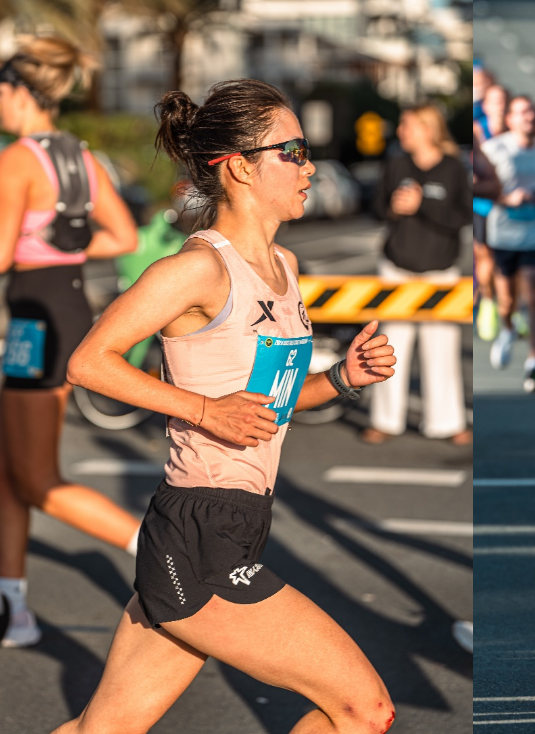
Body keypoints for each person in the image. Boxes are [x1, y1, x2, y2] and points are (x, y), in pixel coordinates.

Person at [52, 79, 397, 733]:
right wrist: (206, 413)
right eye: (290, 151)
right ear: (238, 166)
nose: (309, 166)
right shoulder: (197, 270)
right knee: (363, 710)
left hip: (236, 520)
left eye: (305, 149)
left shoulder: (285, 266)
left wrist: (343, 379)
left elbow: (271, 404)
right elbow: (89, 362)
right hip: (199, 532)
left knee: (103, 729)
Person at [0, 36, 139, 648]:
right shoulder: (80, 156)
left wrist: (38, 249)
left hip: (34, 319)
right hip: (67, 307)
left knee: (36, 480)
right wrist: (63, 247)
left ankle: (158, 548)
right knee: (9, 471)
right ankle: (14, 608)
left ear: (21, 92)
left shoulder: (16, 161)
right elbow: (125, 235)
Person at [363, 104, 472, 446]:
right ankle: (384, 421)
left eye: (407, 125)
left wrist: (423, 204)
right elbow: (375, 208)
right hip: (397, 268)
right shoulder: (395, 164)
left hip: (440, 272)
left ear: (428, 128)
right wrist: (394, 208)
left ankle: (448, 423)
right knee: (389, 347)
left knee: (441, 349)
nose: (401, 132)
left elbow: (463, 215)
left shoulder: (454, 167)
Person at [482, 95, 535, 393]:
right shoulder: (494, 149)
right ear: (510, 119)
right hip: (503, 233)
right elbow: (477, 187)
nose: (528, 117)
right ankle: (506, 329)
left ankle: (534, 361)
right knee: (506, 301)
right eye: (521, 112)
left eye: (531, 111)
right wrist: (505, 198)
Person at [474, 83, 509, 342]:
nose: (501, 107)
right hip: (483, 206)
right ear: (485, 106)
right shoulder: (478, 131)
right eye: (495, 102)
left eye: (504, 101)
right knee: (485, 258)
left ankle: (509, 306)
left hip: (510, 208)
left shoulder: (515, 131)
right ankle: (488, 302)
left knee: (506, 261)